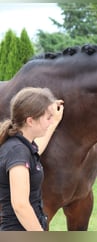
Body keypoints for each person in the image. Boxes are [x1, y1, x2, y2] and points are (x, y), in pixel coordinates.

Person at [0, 87, 64, 231]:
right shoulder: (17, 152)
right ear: (30, 121)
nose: (49, 122)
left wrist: (54, 121)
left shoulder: (23, 146)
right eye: (47, 118)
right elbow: (20, 205)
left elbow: (37, 150)